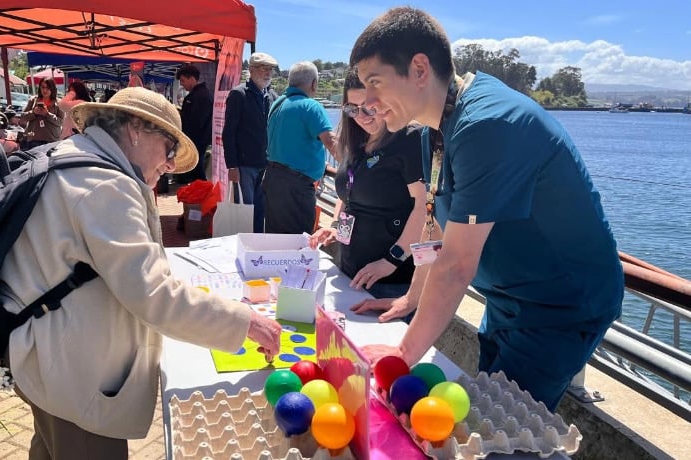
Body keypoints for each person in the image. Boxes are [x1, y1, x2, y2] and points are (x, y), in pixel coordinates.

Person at [349, 6, 624, 411]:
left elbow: (458, 264)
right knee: (485, 413)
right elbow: (435, 227)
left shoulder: (488, 123)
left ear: (420, 68)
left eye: (375, 84)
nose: (368, 103)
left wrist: (400, 357)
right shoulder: (435, 130)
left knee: (504, 429)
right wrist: (410, 299)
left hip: (558, 308)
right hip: (507, 301)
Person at [0, 87, 282, 459]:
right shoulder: (106, 185)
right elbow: (152, 293)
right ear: (136, 129)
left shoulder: (75, 157)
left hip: (43, 356)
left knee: (50, 447)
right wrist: (245, 322)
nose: (168, 165)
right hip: (73, 377)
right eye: (168, 150)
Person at [308, 69, 426, 313]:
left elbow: (424, 208)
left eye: (368, 108)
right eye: (352, 109)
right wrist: (337, 228)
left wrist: (391, 260)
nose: (361, 116)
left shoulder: (409, 138)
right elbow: (349, 195)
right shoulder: (356, 142)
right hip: (349, 271)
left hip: (391, 281)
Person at [263, 61, 337, 235]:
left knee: (275, 239)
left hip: (273, 179)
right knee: (297, 244)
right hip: (295, 189)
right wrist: (355, 166)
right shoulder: (311, 106)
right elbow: (331, 141)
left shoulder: (278, 104)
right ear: (313, 83)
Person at [222, 52, 279, 232]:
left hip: (266, 164)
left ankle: (256, 248)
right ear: (252, 70)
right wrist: (232, 165)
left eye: (270, 69)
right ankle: (243, 247)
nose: (268, 73)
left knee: (261, 211)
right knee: (245, 211)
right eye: (264, 69)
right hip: (244, 165)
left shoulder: (272, 96)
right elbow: (228, 132)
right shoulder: (238, 94)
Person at [174, 63, 213, 183]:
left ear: (192, 79)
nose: (181, 84)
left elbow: (197, 121)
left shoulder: (201, 96)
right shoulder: (196, 95)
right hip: (195, 141)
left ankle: (200, 195)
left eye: (183, 80)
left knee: (197, 172)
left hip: (197, 141)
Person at [20, 77, 63, 149]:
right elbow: (23, 117)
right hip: (33, 139)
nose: (45, 90)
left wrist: (47, 114)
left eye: (48, 87)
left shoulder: (59, 103)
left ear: (52, 88)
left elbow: (61, 122)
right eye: (42, 87)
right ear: (39, 87)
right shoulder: (33, 100)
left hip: (51, 140)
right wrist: (33, 113)